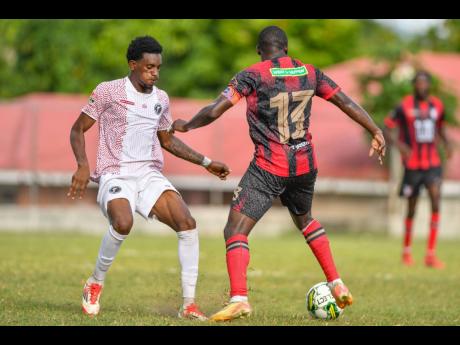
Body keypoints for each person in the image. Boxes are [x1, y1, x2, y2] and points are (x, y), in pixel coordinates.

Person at [171, 26, 386, 321]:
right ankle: (336, 282)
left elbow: (215, 109)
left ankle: (239, 299)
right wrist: (375, 129)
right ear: (286, 47)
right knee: (306, 220)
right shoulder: (310, 72)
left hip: (270, 166)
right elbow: (345, 101)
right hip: (305, 164)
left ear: (260, 50)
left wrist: (187, 125)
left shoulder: (254, 74)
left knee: (235, 230)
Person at [68, 35, 230, 320]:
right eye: (149, 67)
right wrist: (82, 164)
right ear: (133, 65)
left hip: (148, 174)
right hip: (115, 173)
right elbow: (77, 129)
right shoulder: (108, 91)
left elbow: (167, 141)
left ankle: (188, 304)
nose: (155, 72)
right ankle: (95, 283)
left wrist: (206, 162)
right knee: (123, 222)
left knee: (187, 224)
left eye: (158, 67)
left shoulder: (161, 99)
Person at [384, 70, 452, 269]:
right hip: (413, 165)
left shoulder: (437, 105)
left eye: (425, 83)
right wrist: (399, 145)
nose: (422, 86)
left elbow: (440, 128)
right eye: (418, 83)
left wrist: (447, 144)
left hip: (433, 164)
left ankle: (431, 254)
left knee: (436, 201)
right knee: (411, 208)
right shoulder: (403, 106)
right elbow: (387, 128)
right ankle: (407, 251)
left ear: (429, 85)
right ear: (414, 85)